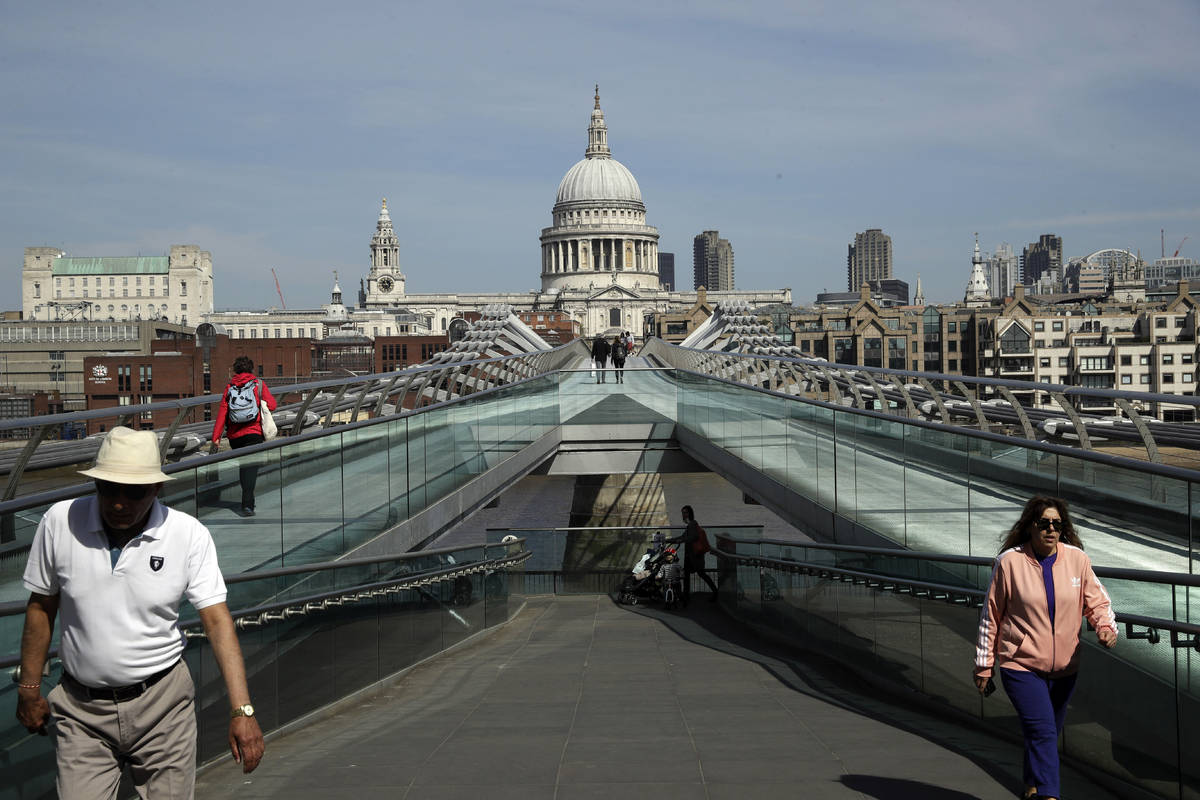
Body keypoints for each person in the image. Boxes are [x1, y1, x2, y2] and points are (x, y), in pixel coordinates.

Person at [16, 426, 264, 798]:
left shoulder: (187, 534)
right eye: (108, 489)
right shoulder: (58, 522)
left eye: (134, 493)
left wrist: (241, 711)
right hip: (82, 711)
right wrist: (29, 688)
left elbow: (216, 620)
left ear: (157, 489)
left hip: (163, 706)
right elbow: (41, 606)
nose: (119, 503)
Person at [974, 496, 1117, 800]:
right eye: (1043, 524)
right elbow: (991, 617)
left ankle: (1032, 785)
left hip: (1066, 668)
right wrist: (984, 665)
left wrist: (1105, 627)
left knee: (1043, 732)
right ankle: (1049, 795)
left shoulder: (1077, 559)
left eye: (1057, 524)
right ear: (1030, 527)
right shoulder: (1009, 563)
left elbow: (1098, 602)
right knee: (1044, 732)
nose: (1051, 530)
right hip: (1020, 665)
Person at [210, 356, 277, 516]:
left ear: (236, 371)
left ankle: (247, 501)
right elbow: (273, 405)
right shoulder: (258, 385)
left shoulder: (229, 387)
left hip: (235, 436)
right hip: (253, 433)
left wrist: (216, 438)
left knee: (244, 466)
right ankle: (247, 504)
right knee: (250, 468)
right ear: (251, 369)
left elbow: (222, 414)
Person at [668, 505, 718, 606]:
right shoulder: (690, 525)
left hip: (695, 556)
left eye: (685, 512)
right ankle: (686, 596)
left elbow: (693, 537)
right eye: (683, 513)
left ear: (690, 513)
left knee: (700, 574)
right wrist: (669, 540)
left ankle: (715, 592)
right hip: (691, 556)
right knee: (689, 575)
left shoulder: (692, 524)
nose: (683, 514)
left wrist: (680, 540)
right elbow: (684, 536)